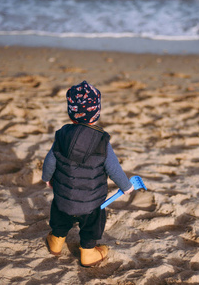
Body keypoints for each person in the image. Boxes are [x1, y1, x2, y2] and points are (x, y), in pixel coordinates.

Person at [42, 80, 133, 267]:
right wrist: (127, 186)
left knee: (60, 217)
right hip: (92, 202)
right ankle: (88, 252)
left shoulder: (61, 135)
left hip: (64, 197)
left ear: (71, 113)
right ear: (96, 113)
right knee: (92, 225)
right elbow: (113, 169)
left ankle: (56, 241)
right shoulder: (102, 141)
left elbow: (50, 161)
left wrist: (47, 178)